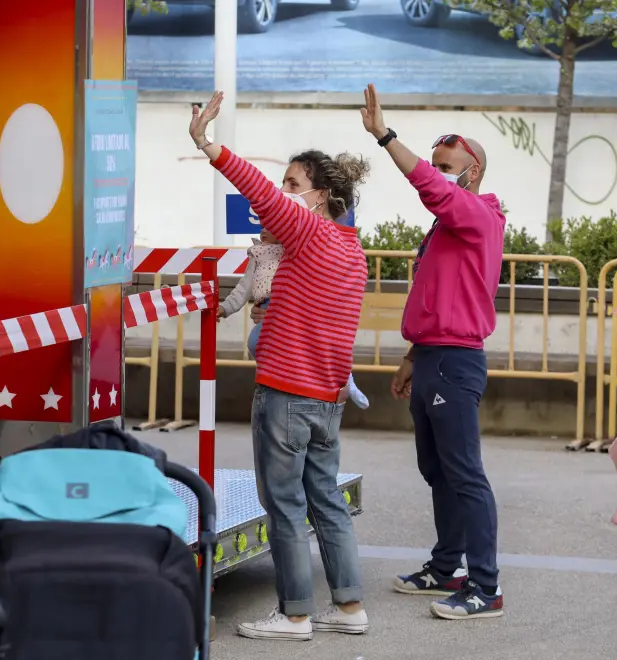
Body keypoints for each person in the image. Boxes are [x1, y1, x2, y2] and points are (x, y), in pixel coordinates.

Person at [189, 92, 370, 641]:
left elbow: (258, 191)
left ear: (322, 197)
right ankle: (348, 607)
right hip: (326, 397)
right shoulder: (352, 249)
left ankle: (294, 615)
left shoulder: (309, 235)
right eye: (286, 184)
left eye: (295, 185)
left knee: (285, 505)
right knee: (326, 502)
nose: (285, 194)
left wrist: (207, 144)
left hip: (287, 394)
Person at [359, 84, 506, 620]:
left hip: (455, 360)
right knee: (438, 471)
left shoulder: (475, 216)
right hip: (432, 356)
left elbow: (430, 188)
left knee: (464, 473)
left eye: (447, 166)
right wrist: (411, 356)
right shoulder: (447, 226)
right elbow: (435, 296)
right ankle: (447, 567)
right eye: (437, 163)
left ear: (473, 173)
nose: (437, 172)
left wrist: (385, 137)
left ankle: (485, 587)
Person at [218, 229, 370, 409]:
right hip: (267, 304)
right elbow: (243, 288)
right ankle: (276, 378)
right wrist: (225, 307)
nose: (264, 231)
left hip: (289, 304)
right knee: (256, 342)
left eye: (270, 226)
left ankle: (345, 377)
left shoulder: (293, 250)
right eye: (262, 226)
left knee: (319, 345)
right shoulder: (257, 254)